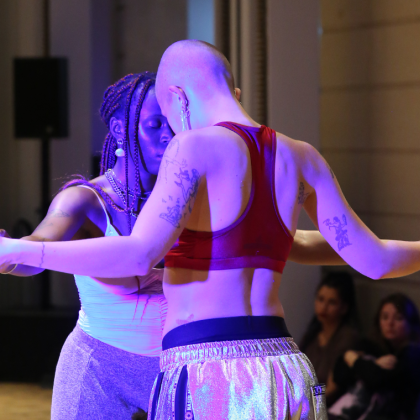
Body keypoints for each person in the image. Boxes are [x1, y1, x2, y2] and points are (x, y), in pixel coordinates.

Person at [4, 40, 420, 418]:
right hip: (285, 365)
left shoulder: (193, 149)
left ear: (178, 96)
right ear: (233, 91)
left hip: (210, 372)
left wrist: (19, 250)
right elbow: (376, 260)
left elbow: (139, 253)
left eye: (167, 117)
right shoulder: (303, 156)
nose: (170, 132)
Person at [1, 71, 173, 419]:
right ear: (119, 129)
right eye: (154, 124)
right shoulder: (84, 200)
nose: (168, 135)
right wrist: (10, 253)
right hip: (98, 367)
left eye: (173, 124)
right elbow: (37, 249)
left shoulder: (185, 201)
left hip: (176, 366)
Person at [329, 293, 420, 420]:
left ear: (411, 323)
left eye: (398, 318)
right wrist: (369, 365)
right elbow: (339, 374)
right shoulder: (370, 345)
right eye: (385, 317)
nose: (390, 323)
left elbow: (377, 380)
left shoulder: (413, 354)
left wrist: (353, 359)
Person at [300, 272, 359, 405]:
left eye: (332, 302)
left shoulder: (347, 338)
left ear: (344, 308)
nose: (323, 307)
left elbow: (332, 388)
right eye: (320, 299)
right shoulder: (312, 335)